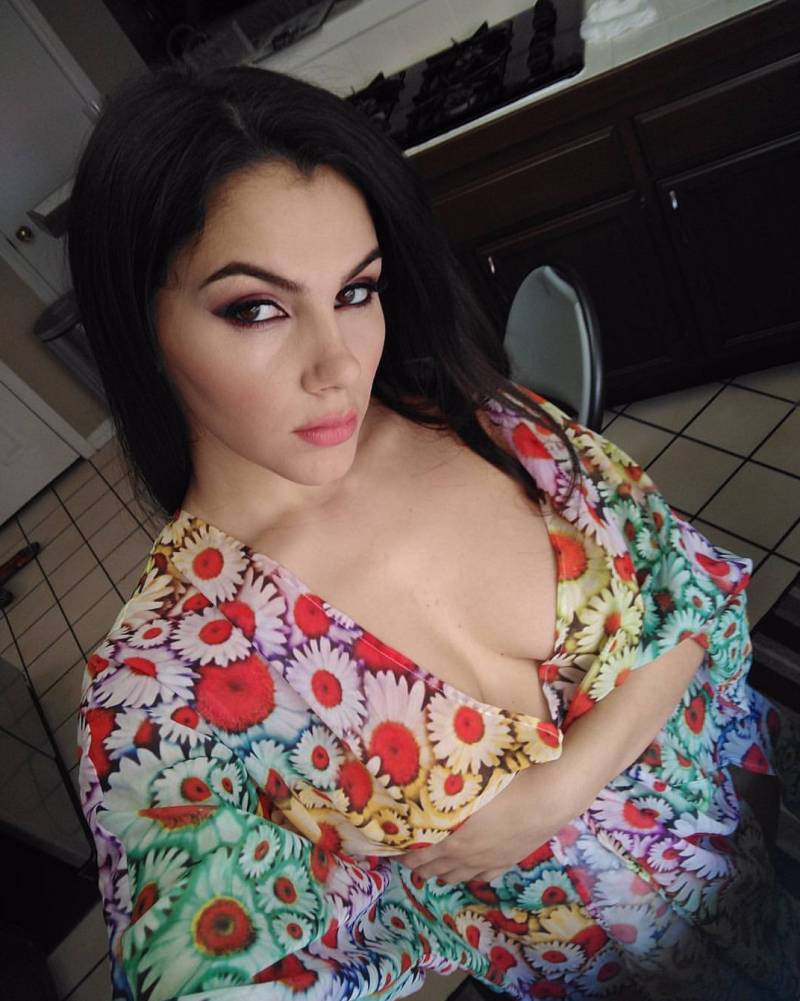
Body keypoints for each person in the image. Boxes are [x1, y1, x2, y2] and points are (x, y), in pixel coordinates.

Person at [66, 61, 799, 1001]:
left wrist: (558, 787)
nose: (338, 365)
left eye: (356, 291)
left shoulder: (485, 419)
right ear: (140, 321)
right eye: (256, 308)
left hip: (745, 832)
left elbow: (684, 584)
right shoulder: (162, 691)